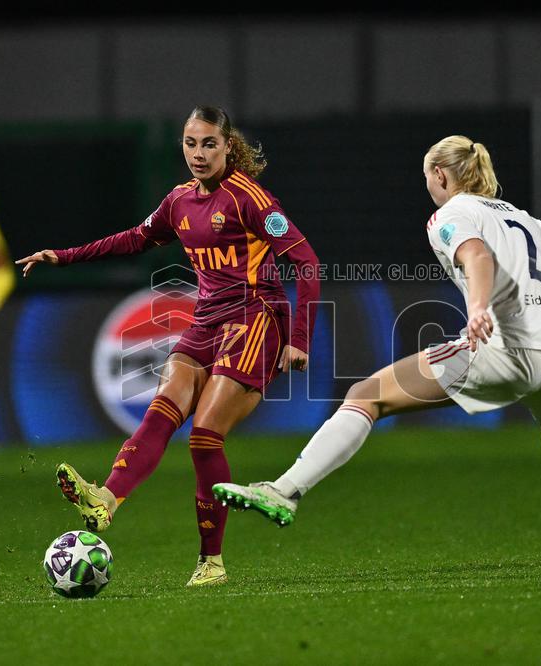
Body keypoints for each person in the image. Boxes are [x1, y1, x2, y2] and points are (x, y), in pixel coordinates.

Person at [213, 135, 541, 583]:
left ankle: (284, 491)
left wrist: (477, 308)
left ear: (439, 175)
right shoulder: (523, 218)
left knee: (365, 394)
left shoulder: (448, 215)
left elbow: (474, 255)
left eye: (426, 177)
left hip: (504, 348)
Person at [16, 106, 321, 587]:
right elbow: (135, 238)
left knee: (204, 436)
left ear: (227, 147)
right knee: (162, 410)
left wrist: (299, 338)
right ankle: (107, 500)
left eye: (208, 144)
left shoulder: (251, 200)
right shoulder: (179, 201)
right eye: (190, 143)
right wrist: (64, 255)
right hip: (206, 321)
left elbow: (306, 263)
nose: (198, 154)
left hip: (256, 318)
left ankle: (211, 562)